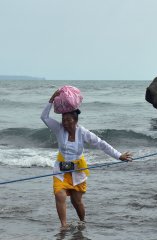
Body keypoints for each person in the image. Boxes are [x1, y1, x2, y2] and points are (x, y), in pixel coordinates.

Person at [41, 90, 132, 228]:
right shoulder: (59, 129)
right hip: (61, 170)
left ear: (75, 120)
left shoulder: (83, 132)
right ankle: (63, 226)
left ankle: (82, 222)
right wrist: (52, 99)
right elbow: (44, 117)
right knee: (59, 195)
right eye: (63, 120)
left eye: (68, 120)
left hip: (78, 170)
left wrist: (118, 155)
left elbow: (101, 144)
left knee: (77, 202)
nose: (65, 123)